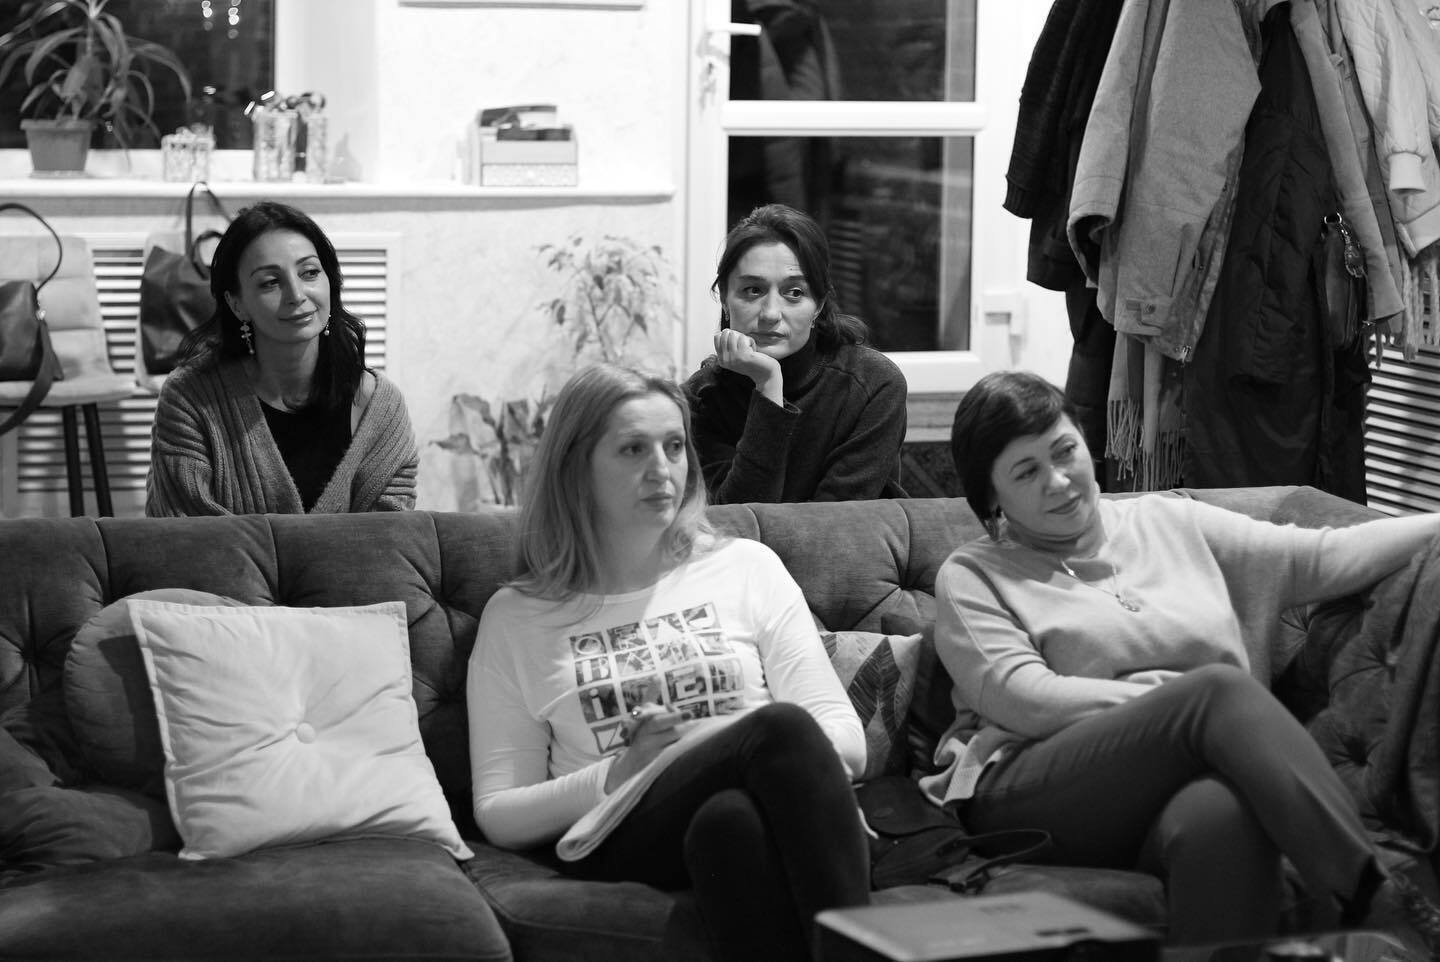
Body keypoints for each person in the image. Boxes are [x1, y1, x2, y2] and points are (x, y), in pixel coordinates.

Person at [930, 369, 1440, 950]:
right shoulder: (973, 575)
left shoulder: (1168, 520)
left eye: (1064, 451)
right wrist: (1185, 710)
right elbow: (1025, 698)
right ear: (992, 499)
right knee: (1219, 691)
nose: (1059, 480)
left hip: (1179, 776)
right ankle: (1371, 895)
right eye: (1026, 472)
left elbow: (1321, 557)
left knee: (1223, 814)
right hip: (1031, 786)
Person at [467, 363, 869, 962]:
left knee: (730, 823)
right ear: (576, 467)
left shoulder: (746, 567)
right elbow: (500, 812)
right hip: (621, 830)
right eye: (633, 449)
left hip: (751, 806)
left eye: (675, 446)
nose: (663, 470)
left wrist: (718, 745)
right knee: (780, 728)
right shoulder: (519, 616)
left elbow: (847, 741)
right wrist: (617, 773)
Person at [146, 201, 418, 516]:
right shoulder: (190, 399)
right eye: (270, 282)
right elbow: (182, 531)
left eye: (310, 273)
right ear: (237, 304)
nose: (296, 295)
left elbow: (391, 535)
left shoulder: (380, 407)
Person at [683, 203, 908, 503]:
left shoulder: (873, 384)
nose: (770, 314)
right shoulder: (700, 400)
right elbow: (738, 519)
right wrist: (768, 386)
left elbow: (842, 522)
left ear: (818, 305)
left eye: (795, 293)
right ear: (724, 298)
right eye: (753, 290)